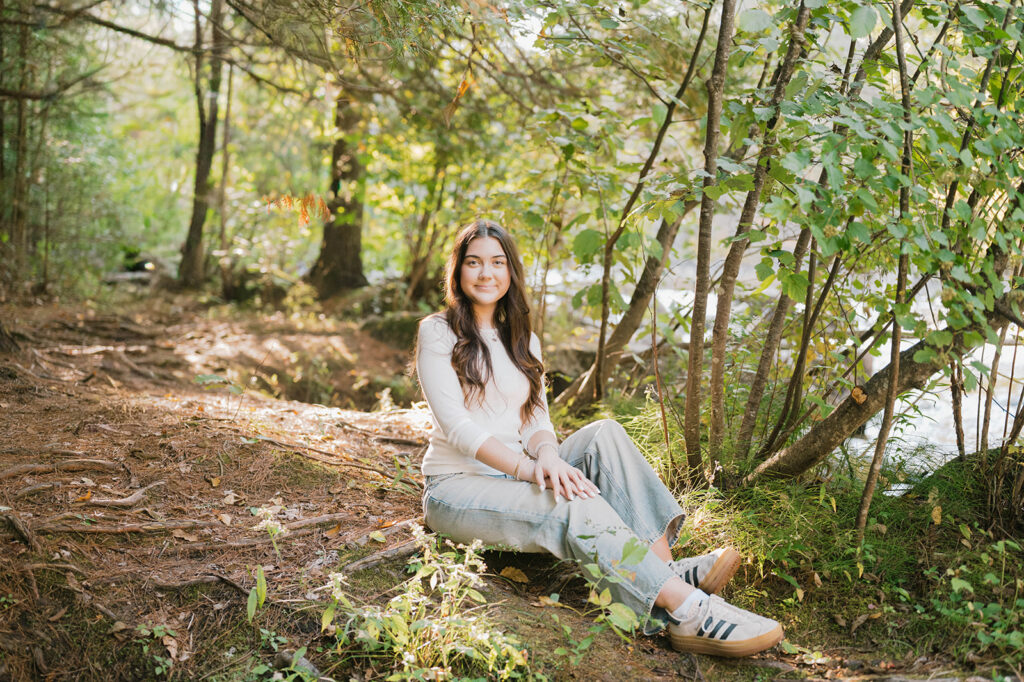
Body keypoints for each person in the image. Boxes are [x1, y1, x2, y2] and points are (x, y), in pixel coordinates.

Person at [415, 218, 783, 657]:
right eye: (473, 263)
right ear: (458, 272)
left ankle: (664, 569)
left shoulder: (523, 339)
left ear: (510, 272)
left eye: (497, 262)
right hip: (457, 490)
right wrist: (531, 470)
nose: (485, 273)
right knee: (571, 501)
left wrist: (548, 455)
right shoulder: (437, 331)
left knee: (603, 435)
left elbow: (535, 417)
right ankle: (687, 613)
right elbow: (458, 427)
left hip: (517, 474)